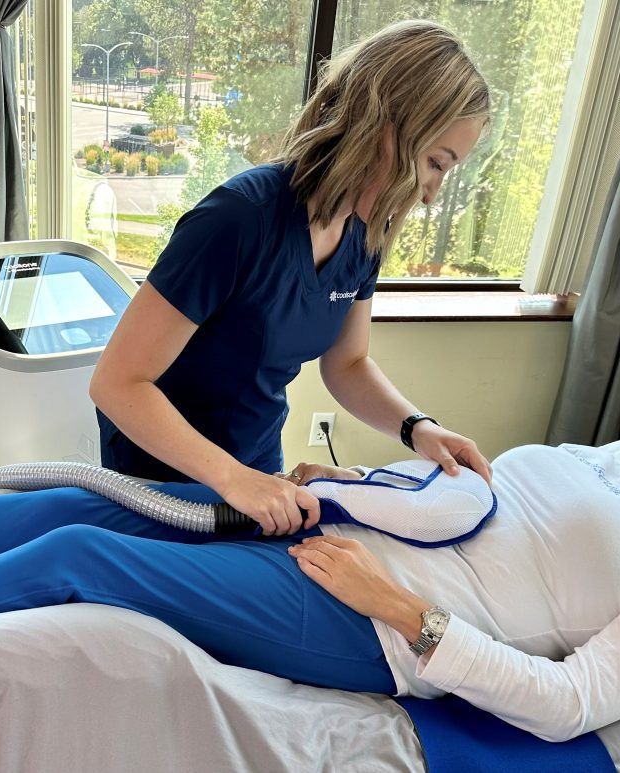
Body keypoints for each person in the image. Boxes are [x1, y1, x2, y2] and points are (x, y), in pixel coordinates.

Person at [0, 437, 620, 743]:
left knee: (83, 562)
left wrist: (403, 609)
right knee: (62, 506)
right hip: (328, 528)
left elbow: (570, 701)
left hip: (369, 620)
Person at [90, 20, 494, 539]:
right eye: (435, 163)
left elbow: (347, 363)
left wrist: (419, 429)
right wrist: (232, 480)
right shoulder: (239, 219)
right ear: (384, 127)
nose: (433, 193)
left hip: (256, 466)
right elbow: (117, 384)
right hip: (162, 479)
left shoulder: (364, 234)